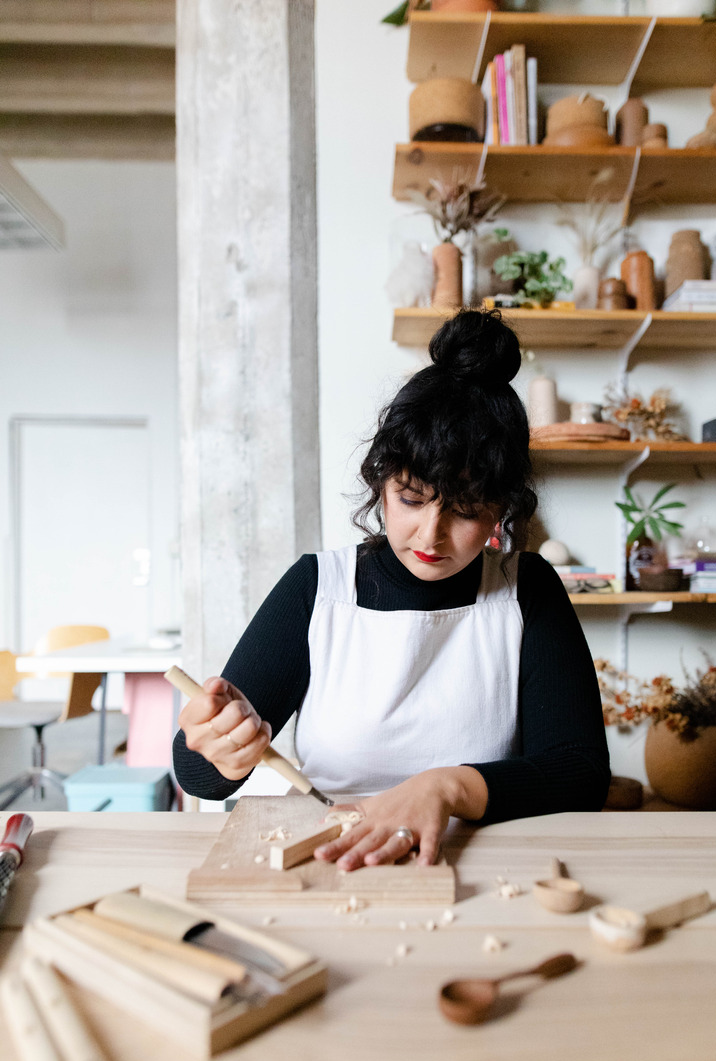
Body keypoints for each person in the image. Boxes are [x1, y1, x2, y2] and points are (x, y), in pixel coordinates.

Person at [173, 309, 610, 868]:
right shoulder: (318, 589)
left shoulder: (527, 592)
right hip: (330, 854)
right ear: (381, 482)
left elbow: (581, 774)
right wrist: (212, 747)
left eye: (467, 510)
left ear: (501, 508)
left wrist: (446, 788)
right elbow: (200, 779)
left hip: (475, 863)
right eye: (411, 498)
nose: (432, 535)